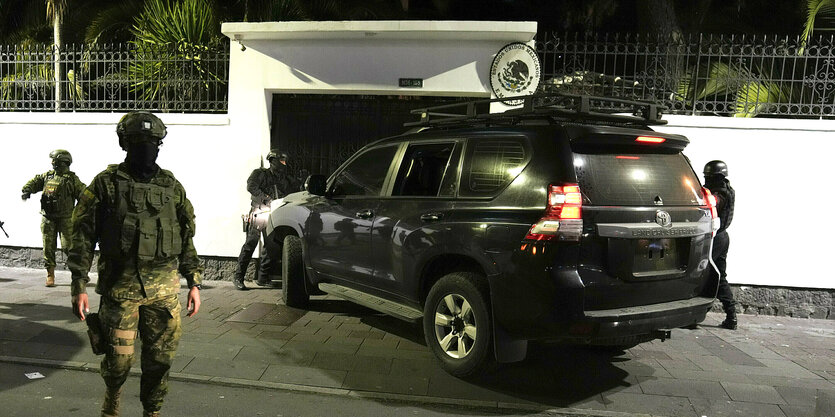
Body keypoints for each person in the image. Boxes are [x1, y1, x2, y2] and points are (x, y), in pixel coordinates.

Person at [68, 111, 203, 417]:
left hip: (164, 292)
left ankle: (152, 412)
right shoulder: (105, 185)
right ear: (124, 143)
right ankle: (112, 402)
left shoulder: (172, 187)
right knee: (119, 361)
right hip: (120, 289)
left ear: (160, 144)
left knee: (160, 361)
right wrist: (79, 284)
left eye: (153, 142)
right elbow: (82, 236)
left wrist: (194, 282)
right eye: (139, 141)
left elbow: (186, 237)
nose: (147, 147)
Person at [21, 149, 86, 287]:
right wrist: (27, 190)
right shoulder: (47, 177)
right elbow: (35, 182)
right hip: (48, 218)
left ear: (62, 161)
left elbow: (83, 194)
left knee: (69, 247)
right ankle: (50, 275)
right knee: (48, 247)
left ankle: (79, 274)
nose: (52, 163)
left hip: (66, 219)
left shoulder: (71, 179)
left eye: (55, 160)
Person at [233, 149, 295, 290]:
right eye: (281, 161)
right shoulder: (260, 174)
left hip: (273, 213)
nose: (284, 164)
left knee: (272, 246)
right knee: (250, 244)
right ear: (273, 161)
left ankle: (263, 277)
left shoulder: (284, 179)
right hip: (259, 212)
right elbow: (251, 186)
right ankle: (238, 277)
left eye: (285, 161)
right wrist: (265, 197)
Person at [704, 160, 738, 330]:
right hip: (721, 237)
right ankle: (731, 315)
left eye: (708, 176)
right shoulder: (725, 188)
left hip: (716, 238)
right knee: (718, 276)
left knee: (703, 272)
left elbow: (714, 202)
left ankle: (696, 313)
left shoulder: (720, 192)